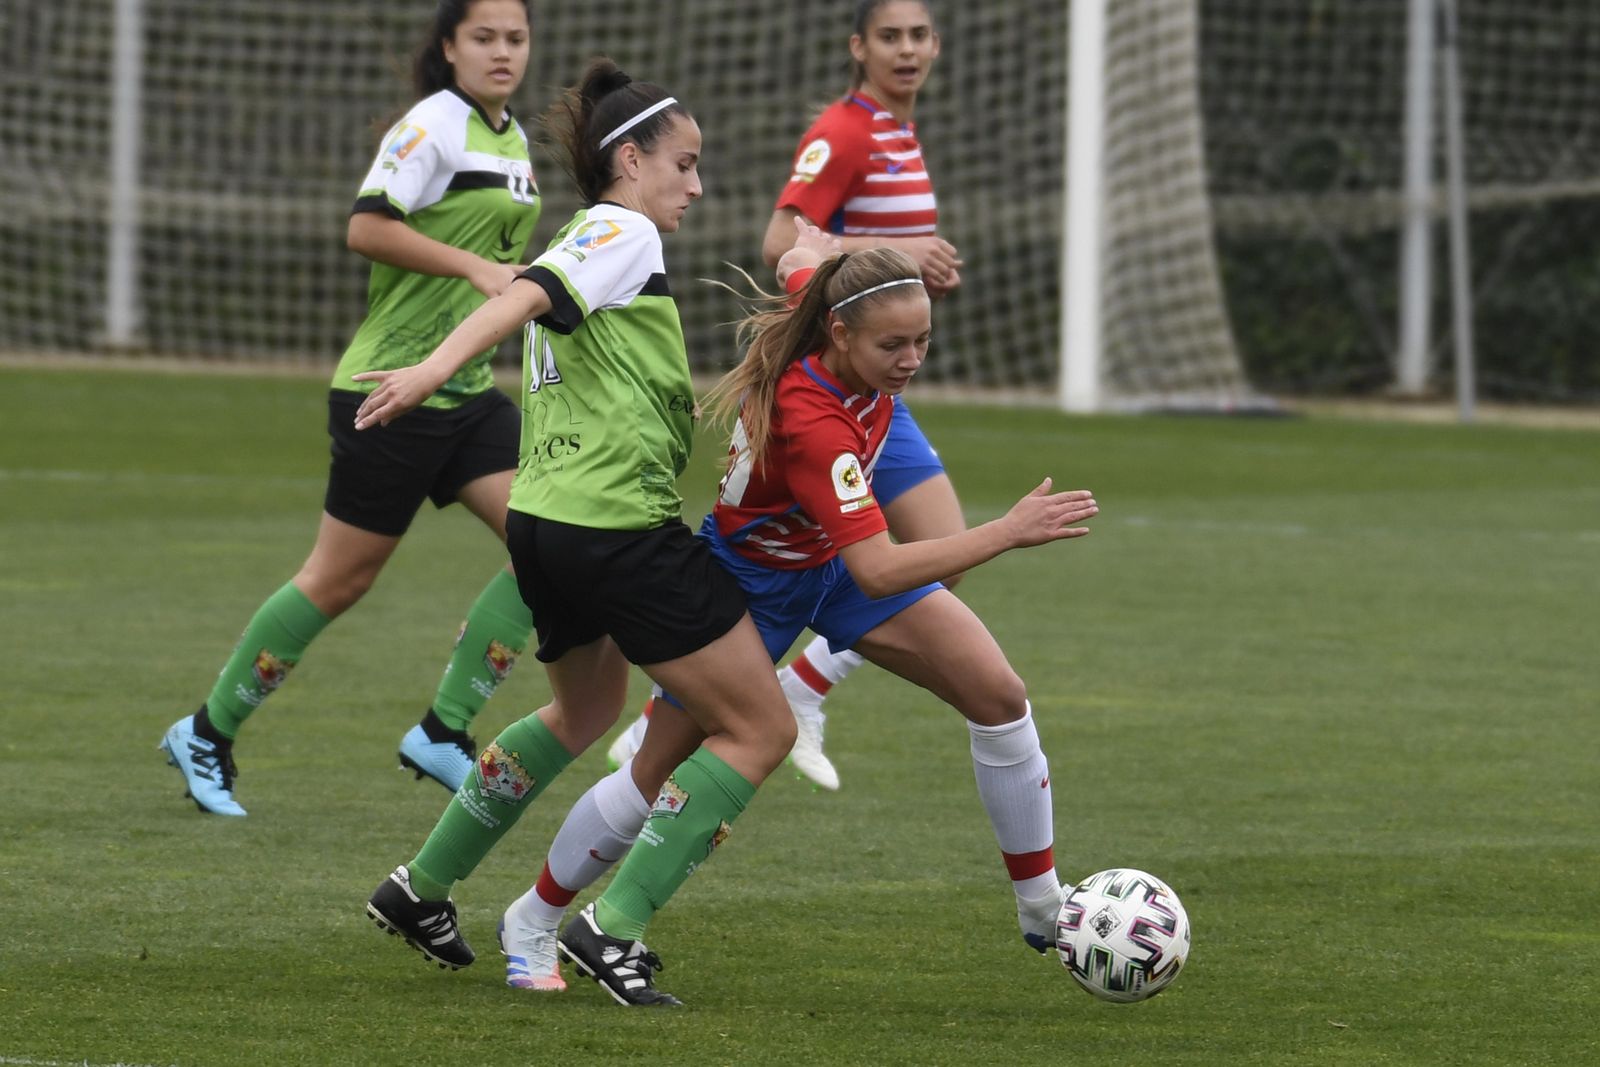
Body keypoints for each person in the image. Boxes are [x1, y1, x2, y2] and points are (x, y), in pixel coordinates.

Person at [494, 236, 1098, 1004]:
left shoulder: (836, 305)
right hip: (752, 589)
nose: (911, 358)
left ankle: (1043, 904)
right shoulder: (815, 420)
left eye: (922, 340)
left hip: (830, 567)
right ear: (841, 336)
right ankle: (540, 915)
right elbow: (881, 566)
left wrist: (812, 252)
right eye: (894, 344)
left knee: (999, 693)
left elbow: (801, 264)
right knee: (653, 771)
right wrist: (1006, 530)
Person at [359, 57, 801, 1009]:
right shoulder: (620, 227)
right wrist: (432, 371)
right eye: (683, 163)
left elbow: (544, 297)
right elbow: (522, 294)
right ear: (629, 158)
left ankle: (421, 886)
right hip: (616, 532)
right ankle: (613, 927)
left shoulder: (595, 234)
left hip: (546, 523)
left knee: (584, 713)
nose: (695, 184)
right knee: (760, 725)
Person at [157, 0, 546, 817]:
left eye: (515, 37)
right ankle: (205, 730)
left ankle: (444, 728)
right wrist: (476, 268)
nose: (502, 51)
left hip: (469, 393)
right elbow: (366, 227)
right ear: (449, 47)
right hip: (390, 389)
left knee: (551, 542)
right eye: (484, 37)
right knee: (338, 579)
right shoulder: (432, 124)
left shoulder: (512, 141)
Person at [605, 0, 964, 791]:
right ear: (858, 47)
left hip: (875, 387)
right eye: (889, 37)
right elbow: (782, 241)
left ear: (936, 45)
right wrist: (900, 252)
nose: (906, 51)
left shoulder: (902, 135)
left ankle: (795, 691)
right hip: (835, 383)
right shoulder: (845, 131)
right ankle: (685, 716)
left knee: (935, 554)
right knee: (905, 551)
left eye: (918, 36)